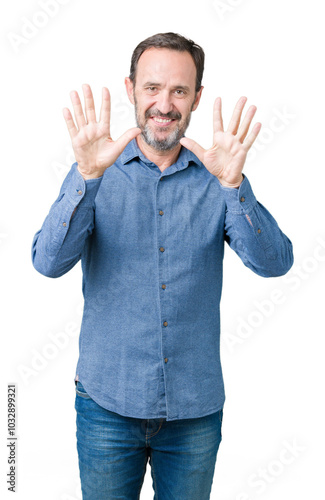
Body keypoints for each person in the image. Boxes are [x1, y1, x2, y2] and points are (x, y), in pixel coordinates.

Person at [31, 32, 293, 500]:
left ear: (196, 97)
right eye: (152, 88)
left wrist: (234, 186)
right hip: (106, 407)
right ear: (131, 90)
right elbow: (47, 263)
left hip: (194, 411)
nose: (164, 104)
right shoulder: (98, 171)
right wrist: (86, 178)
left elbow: (275, 264)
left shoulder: (217, 176)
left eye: (179, 90)